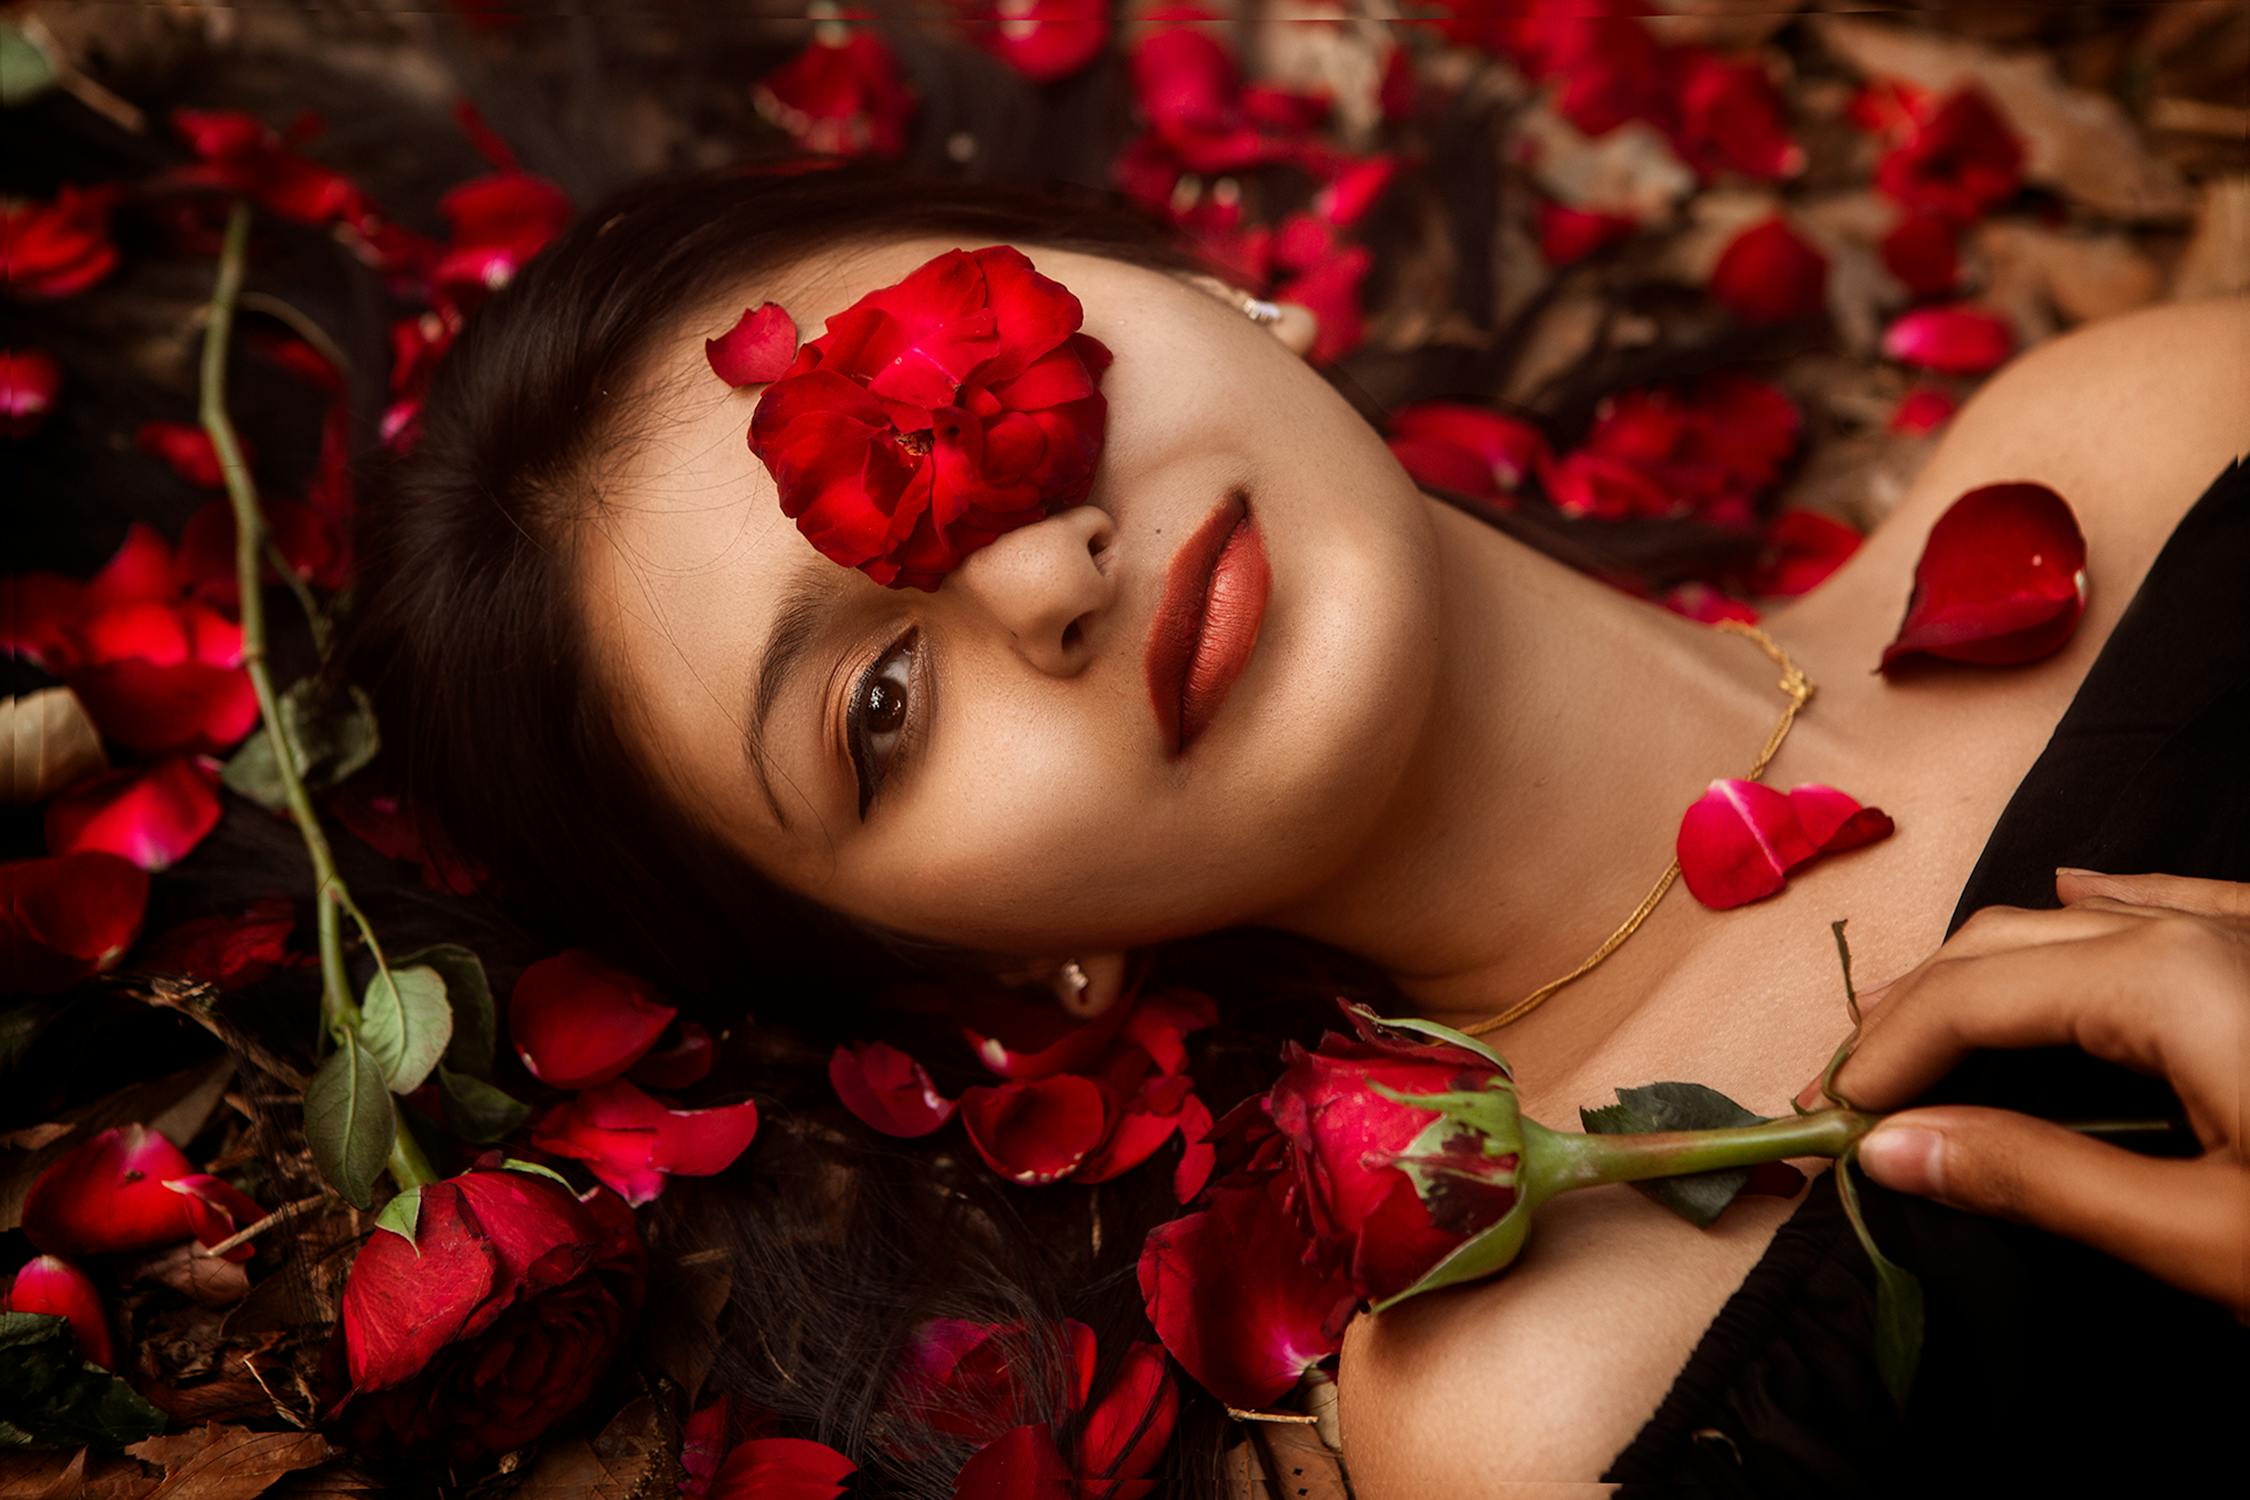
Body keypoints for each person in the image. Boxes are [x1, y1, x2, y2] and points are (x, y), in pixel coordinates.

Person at [342, 160, 2248, 1495]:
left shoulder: (2155, 439)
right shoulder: (1553, 1399)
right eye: (882, 711)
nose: (1038, 569)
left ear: (1186, 283)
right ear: (988, 971)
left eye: (961, 380)